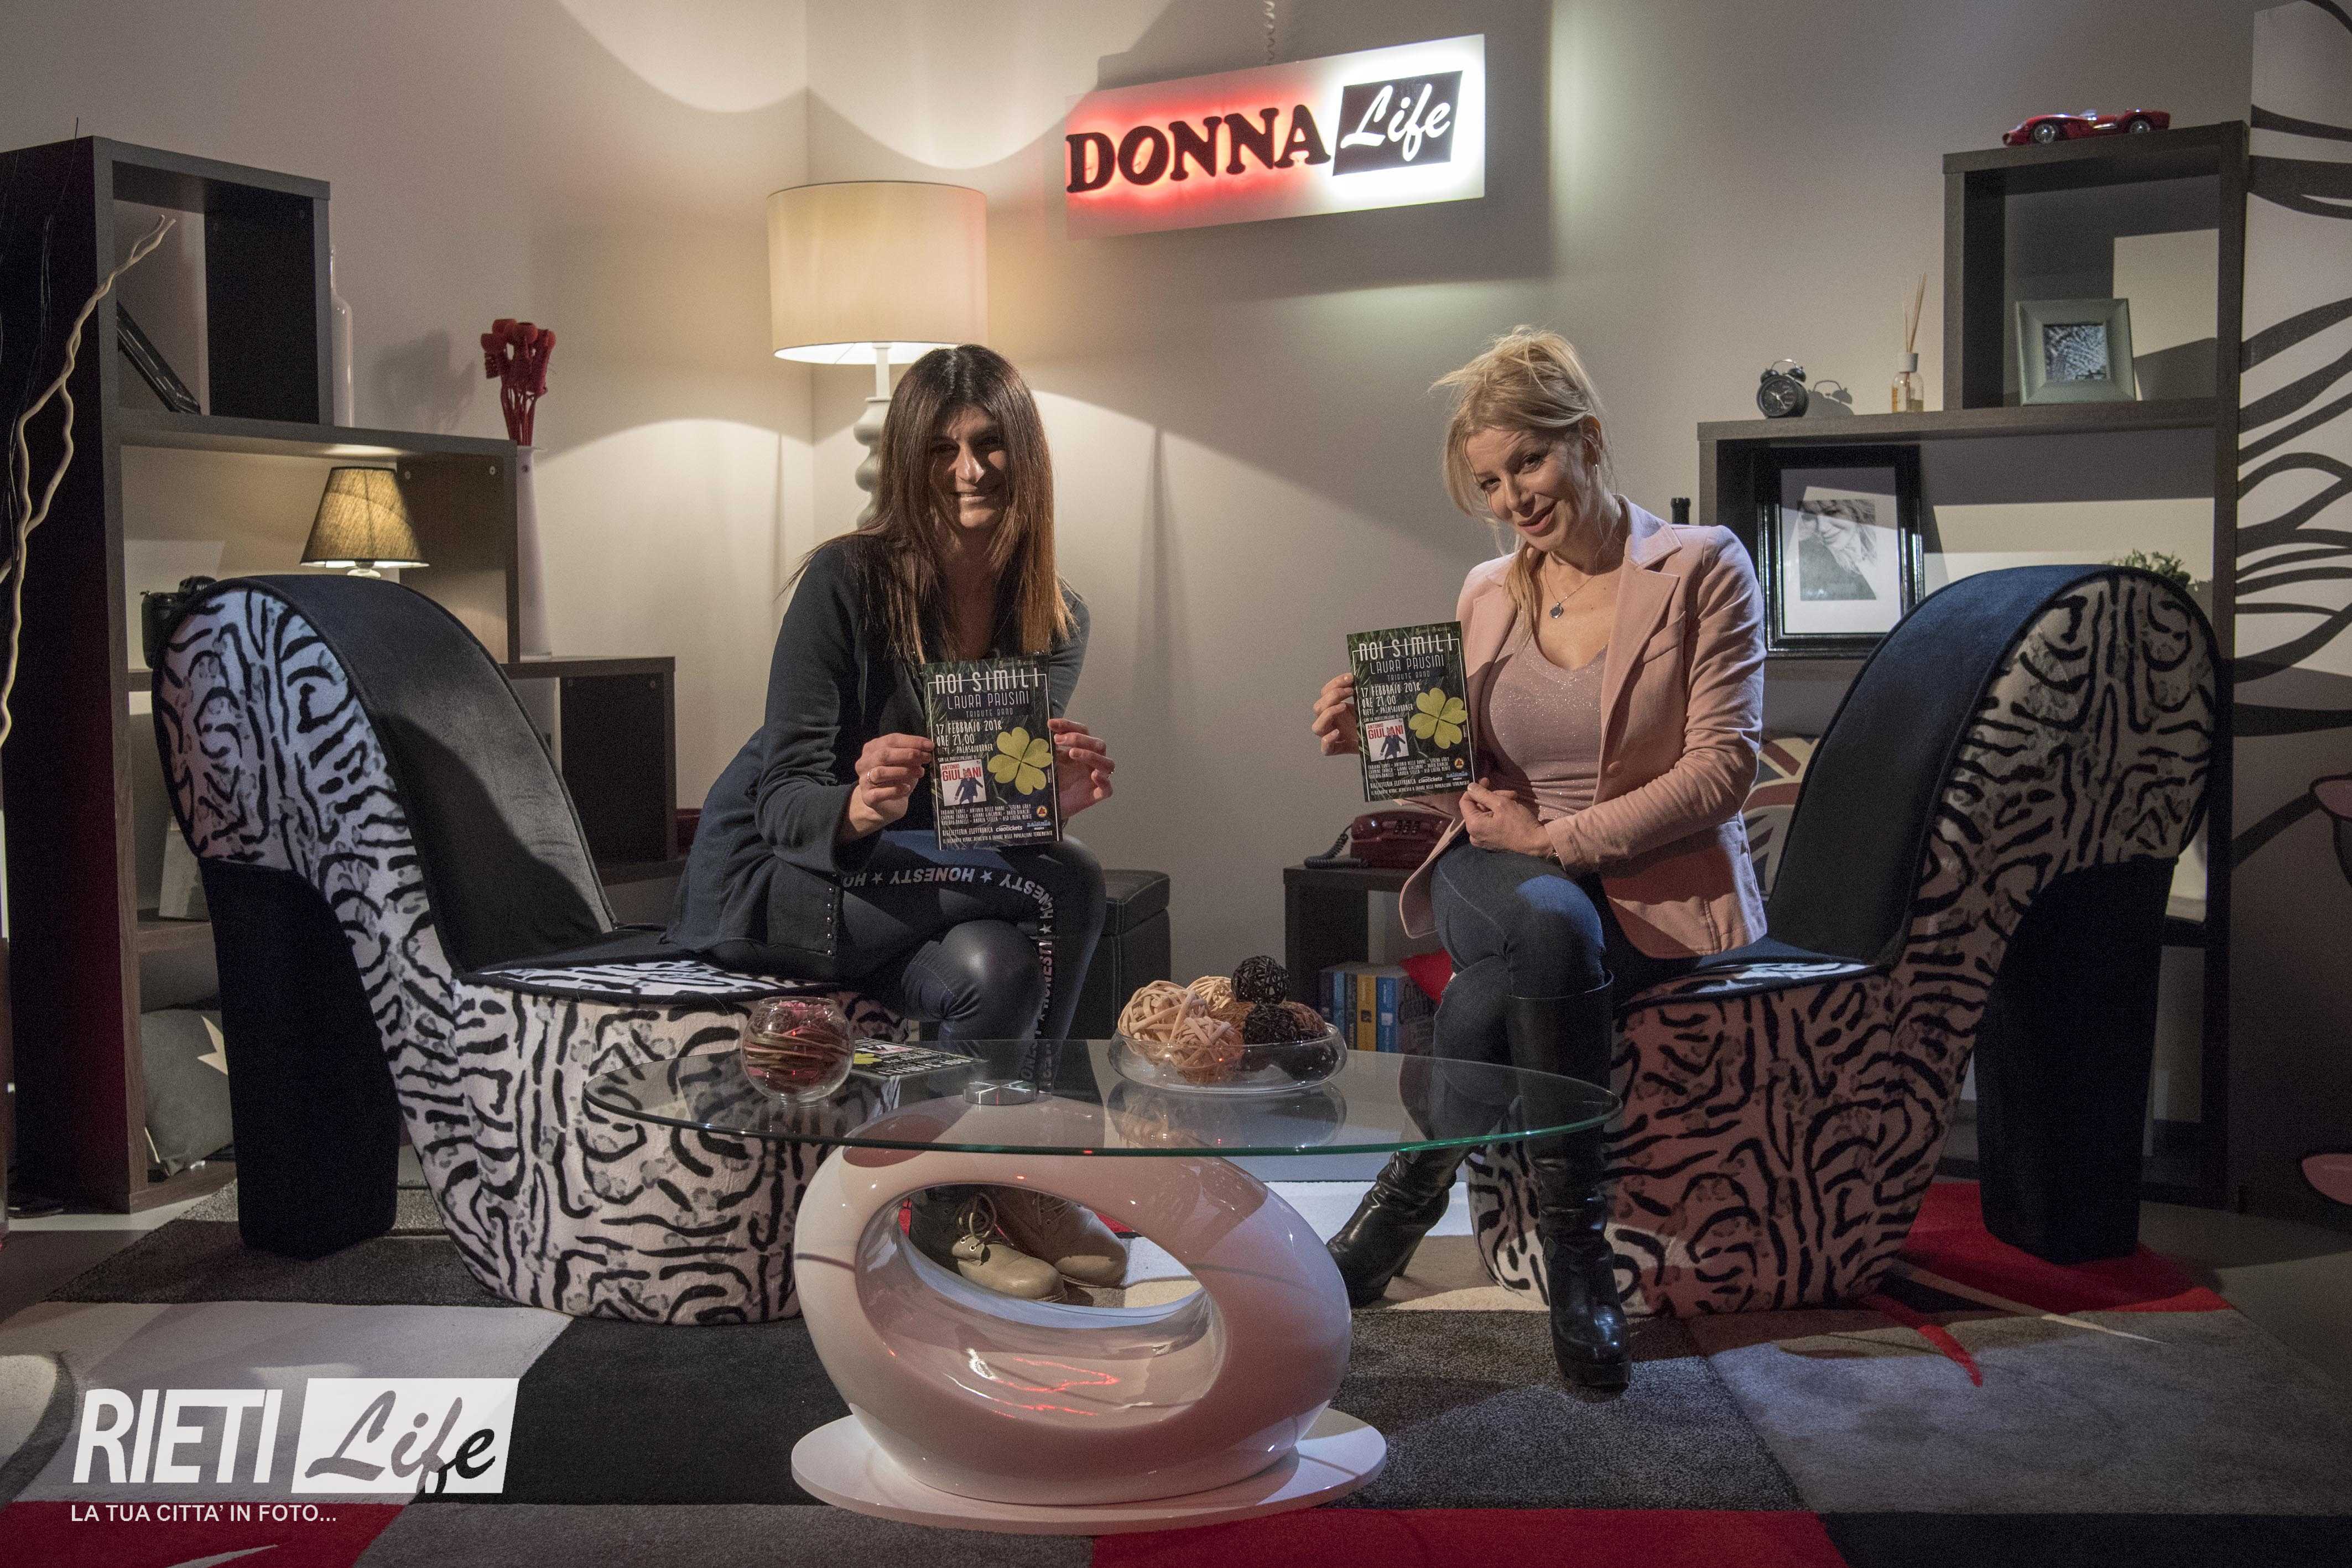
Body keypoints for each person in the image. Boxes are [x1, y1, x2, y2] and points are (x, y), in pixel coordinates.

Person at [1307, 328, 1766, 1389]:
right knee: (1546, 917)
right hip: (1492, 871)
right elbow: (1462, 787)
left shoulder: (1703, 568)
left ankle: (1405, 1203)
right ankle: (1581, 1261)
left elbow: (1723, 770)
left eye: (1529, 463)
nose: (1512, 497)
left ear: (1587, 440)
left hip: (1650, 893)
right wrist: (1374, 749)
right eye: (1489, 481)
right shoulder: (1486, 593)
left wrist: (1554, 840)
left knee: (1501, 983)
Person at [670, 345, 1122, 1303]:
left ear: (1026, 455)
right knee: (1072, 879)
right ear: (908, 461)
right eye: (943, 449)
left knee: (999, 966)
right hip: (786, 880)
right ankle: (1022, 1172)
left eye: (992, 444)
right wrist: (855, 803)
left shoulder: (1055, 617)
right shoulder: (844, 581)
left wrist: (1045, 805)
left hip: (916, 887)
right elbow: (782, 798)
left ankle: (958, 1200)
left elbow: (981, 820)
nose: (970, 470)